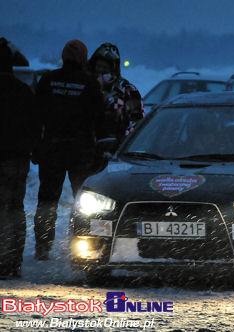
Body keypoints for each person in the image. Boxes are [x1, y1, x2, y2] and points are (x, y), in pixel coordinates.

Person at [33, 40, 106, 260]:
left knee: (47, 201)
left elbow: (36, 116)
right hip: (80, 151)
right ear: (83, 59)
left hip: (52, 149)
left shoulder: (48, 80)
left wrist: (37, 147)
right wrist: (102, 149)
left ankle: (43, 247)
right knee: (84, 203)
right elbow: (99, 119)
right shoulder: (89, 83)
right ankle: (83, 246)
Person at [0, 38, 37, 277]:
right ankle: (13, 262)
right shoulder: (23, 90)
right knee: (15, 208)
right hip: (18, 159)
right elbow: (34, 124)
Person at [88, 43, 144, 146]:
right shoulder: (85, 86)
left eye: (105, 68)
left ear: (113, 69)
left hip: (114, 148)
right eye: (99, 66)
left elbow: (137, 122)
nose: (100, 70)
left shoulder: (126, 90)